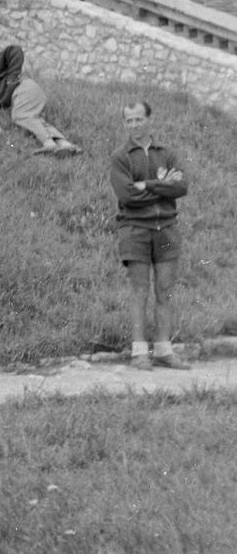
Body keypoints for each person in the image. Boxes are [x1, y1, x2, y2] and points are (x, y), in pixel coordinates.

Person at [109, 99, 189, 371]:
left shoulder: (167, 153)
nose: (134, 125)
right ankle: (139, 352)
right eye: (129, 120)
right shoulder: (120, 156)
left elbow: (181, 187)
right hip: (135, 230)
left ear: (149, 120)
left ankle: (164, 350)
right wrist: (162, 185)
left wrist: (148, 184)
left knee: (164, 291)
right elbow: (127, 195)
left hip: (166, 229)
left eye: (138, 119)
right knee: (139, 291)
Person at [0, 44, 79, 154]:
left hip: (23, 87)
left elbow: (13, 50)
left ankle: (48, 143)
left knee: (20, 116)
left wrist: (12, 79)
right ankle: (64, 144)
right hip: (17, 97)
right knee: (32, 118)